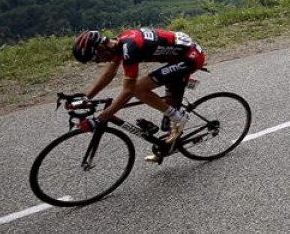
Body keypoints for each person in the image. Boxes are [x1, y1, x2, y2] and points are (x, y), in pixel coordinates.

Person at [72, 27, 206, 163]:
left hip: (190, 57)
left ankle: (179, 117)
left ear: (101, 47)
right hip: (179, 56)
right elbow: (109, 74)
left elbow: (128, 90)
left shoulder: (130, 48)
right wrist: (86, 97)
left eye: (95, 58)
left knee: (138, 89)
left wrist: (101, 119)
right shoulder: (119, 44)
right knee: (166, 122)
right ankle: (169, 143)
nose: (97, 62)